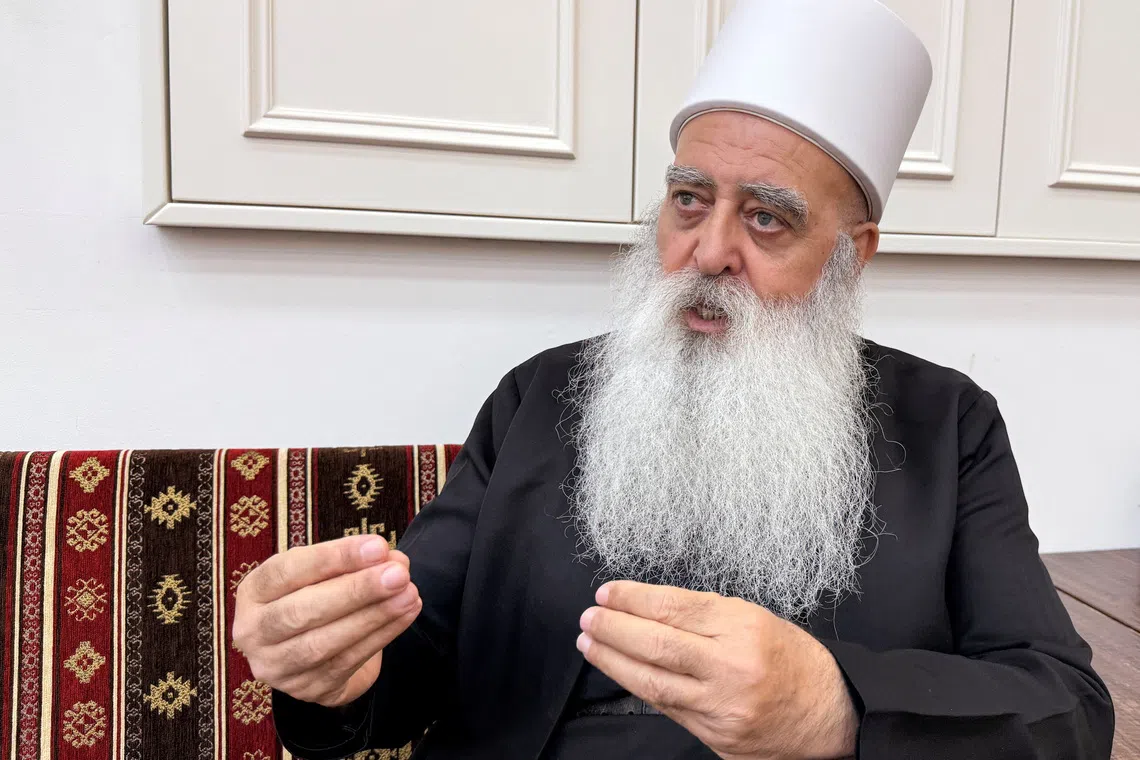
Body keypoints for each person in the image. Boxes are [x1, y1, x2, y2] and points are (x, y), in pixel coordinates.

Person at [234, 1, 1115, 757]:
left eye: (768, 219)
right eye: (690, 200)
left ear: (852, 257)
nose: (708, 252)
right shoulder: (539, 396)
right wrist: (331, 664)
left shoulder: (947, 425)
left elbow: (1066, 708)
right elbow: (408, 656)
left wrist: (836, 708)